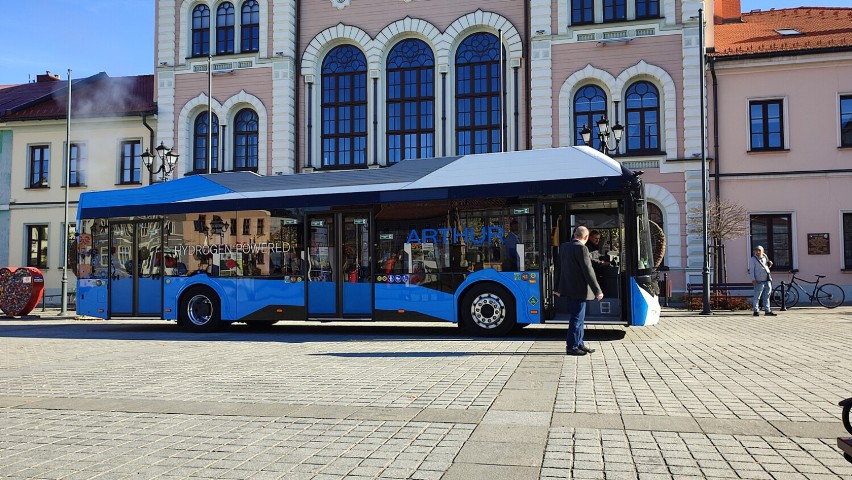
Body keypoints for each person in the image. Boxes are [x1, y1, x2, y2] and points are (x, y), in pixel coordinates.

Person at [554, 226, 604, 356]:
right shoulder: (582, 248)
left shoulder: (564, 247)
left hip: (568, 288)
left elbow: (558, 268)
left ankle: (579, 343)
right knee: (577, 318)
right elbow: (588, 271)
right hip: (579, 289)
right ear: (586, 237)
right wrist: (598, 290)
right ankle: (572, 346)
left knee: (579, 318)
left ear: (574, 234)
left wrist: (556, 288)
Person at [749, 245, 777, 317]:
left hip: (767, 279)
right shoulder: (753, 259)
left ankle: (767, 310)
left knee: (767, 296)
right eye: (756, 250)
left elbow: (766, 266)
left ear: (762, 251)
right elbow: (751, 270)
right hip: (759, 280)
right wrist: (753, 279)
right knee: (757, 296)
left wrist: (770, 264)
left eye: (759, 250)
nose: (758, 252)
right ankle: (756, 311)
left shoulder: (765, 257)